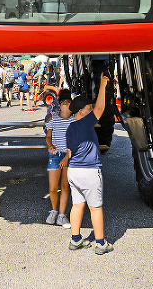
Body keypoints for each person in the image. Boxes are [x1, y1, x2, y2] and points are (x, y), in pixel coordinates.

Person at [64, 73, 113, 254]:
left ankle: (76, 240)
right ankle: (101, 244)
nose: (91, 110)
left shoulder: (71, 128)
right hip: (89, 171)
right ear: (81, 112)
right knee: (95, 207)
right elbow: (100, 108)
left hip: (74, 171)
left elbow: (70, 151)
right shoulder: (84, 124)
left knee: (77, 205)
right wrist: (102, 85)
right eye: (88, 108)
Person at [45, 89, 73, 228]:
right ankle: (54, 210)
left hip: (69, 155)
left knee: (65, 186)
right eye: (63, 102)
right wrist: (50, 145)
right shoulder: (53, 119)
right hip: (55, 154)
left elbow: (76, 141)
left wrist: (67, 157)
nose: (66, 103)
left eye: (68, 102)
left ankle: (62, 215)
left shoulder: (75, 120)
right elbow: (48, 136)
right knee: (52, 188)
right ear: (59, 105)